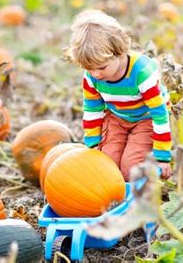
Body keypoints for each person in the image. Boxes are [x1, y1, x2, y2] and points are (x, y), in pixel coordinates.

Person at [67, 10, 172, 181]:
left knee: (130, 170)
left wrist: (162, 157)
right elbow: (92, 111)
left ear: (120, 52)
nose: (96, 74)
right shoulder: (92, 77)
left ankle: (147, 174)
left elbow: (159, 114)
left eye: (101, 68)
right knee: (107, 165)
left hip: (146, 119)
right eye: (89, 68)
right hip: (117, 117)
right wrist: (93, 146)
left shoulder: (141, 72)